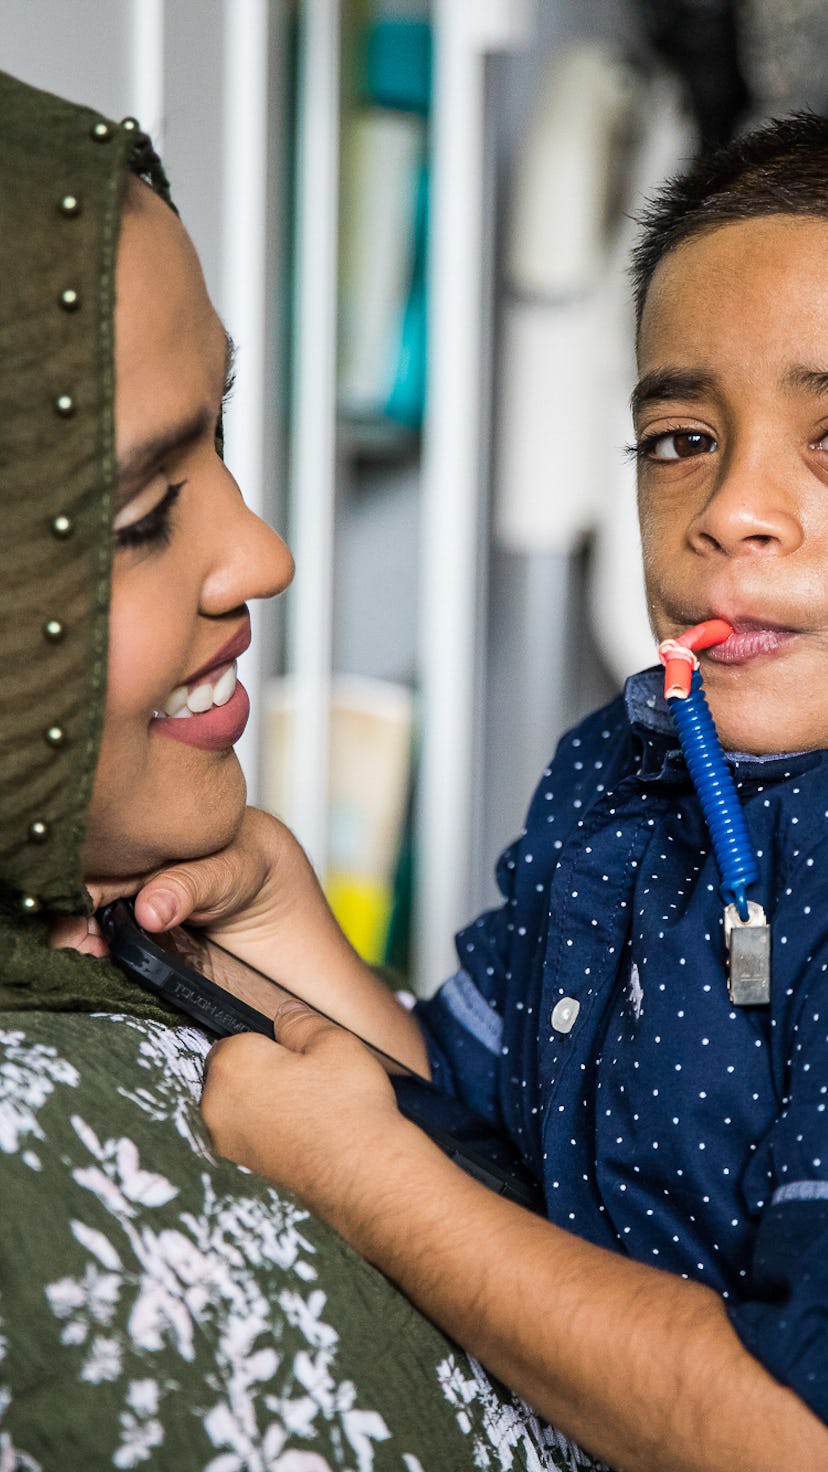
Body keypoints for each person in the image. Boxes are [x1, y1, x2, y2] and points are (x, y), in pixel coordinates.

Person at [192, 114, 828, 1472]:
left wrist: (370, 1188)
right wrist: (277, 914)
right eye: (681, 438)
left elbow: (789, 1433)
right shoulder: (624, 769)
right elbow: (474, 1120)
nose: (732, 507)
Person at [0, 69, 582, 1471]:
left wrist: (296, 943)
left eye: (226, 441)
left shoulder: (160, 933)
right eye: (142, 516)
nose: (264, 554)